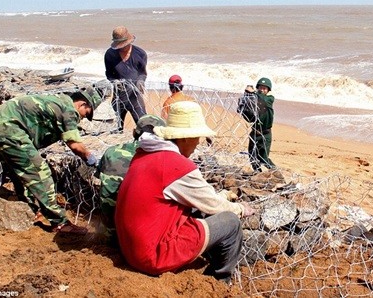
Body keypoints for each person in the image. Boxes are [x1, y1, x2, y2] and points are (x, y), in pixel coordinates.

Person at [115, 101, 255, 283]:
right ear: (186, 138)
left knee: (196, 212)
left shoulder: (144, 153)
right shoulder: (177, 166)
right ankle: (220, 281)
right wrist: (241, 208)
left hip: (129, 249)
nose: (198, 143)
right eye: (197, 137)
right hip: (152, 256)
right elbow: (213, 204)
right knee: (230, 222)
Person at [0, 87, 103, 235]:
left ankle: (29, 210)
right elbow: (75, 144)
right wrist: (91, 159)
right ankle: (60, 223)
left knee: (19, 173)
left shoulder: (58, 101)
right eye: (86, 114)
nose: (83, 118)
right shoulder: (69, 110)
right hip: (10, 130)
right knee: (40, 173)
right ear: (82, 104)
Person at [96, 114, 166, 243]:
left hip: (108, 231)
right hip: (136, 236)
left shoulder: (111, 152)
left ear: (134, 132)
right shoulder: (159, 159)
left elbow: (100, 177)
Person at [104, 26, 147, 131]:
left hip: (134, 96)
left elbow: (143, 73)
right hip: (119, 97)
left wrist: (141, 81)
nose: (121, 47)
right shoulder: (110, 55)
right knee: (116, 128)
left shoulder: (140, 54)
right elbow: (109, 74)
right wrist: (114, 81)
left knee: (144, 126)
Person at [237, 77, 276, 173]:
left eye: (264, 88)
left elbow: (262, 100)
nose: (262, 90)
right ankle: (257, 173)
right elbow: (249, 118)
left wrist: (254, 93)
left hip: (265, 134)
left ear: (268, 90)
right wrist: (243, 105)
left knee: (263, 157)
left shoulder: (269, 99)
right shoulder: (254, 102)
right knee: (252, 155)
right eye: (260, 88)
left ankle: (275, 171)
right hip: (254, 133)